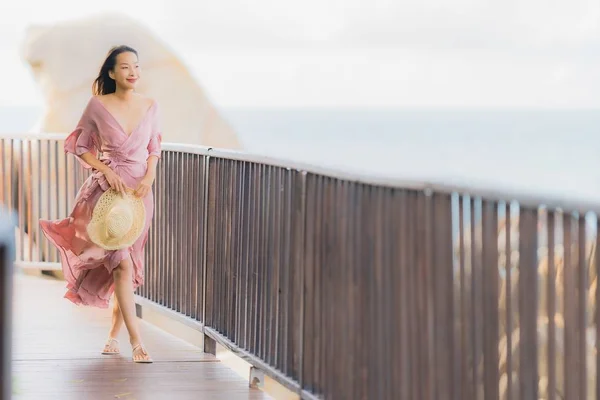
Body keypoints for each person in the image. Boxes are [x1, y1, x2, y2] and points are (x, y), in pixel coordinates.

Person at [39, 45, 162, 363]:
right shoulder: (97, 105)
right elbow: (80, 145)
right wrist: (106, 168)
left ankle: (112, 337)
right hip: (107, 193)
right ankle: (137, 342)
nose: (133, 72)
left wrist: (149, 176)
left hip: (139, 195)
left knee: (126, 267)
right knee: (120, 263)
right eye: (125, 67)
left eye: (136, 66)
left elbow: (154, 147)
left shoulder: (150, 105)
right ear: (111, 73)